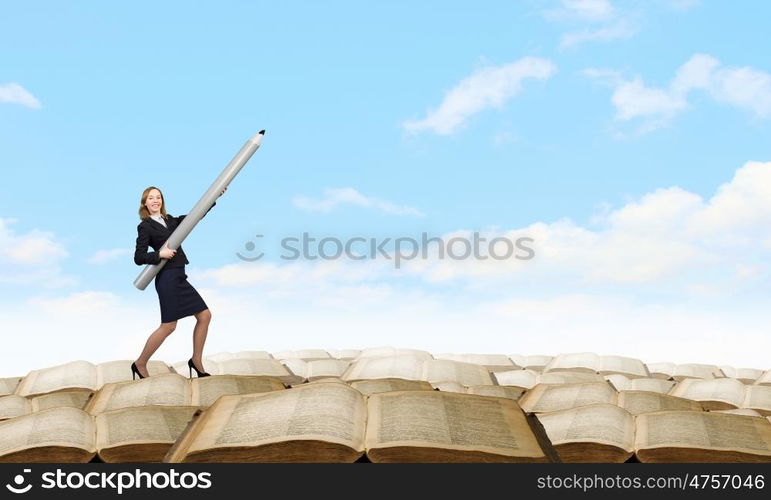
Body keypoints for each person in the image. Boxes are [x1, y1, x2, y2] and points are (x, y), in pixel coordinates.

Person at [131, 185, 225, 380]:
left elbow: (195, 216)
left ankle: (196, 361)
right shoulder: (145, 226)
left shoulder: (171, 220)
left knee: (205, 316)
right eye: (151, 198)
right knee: (168, 326)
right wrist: (160, 254)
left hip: (180, 275)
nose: (155, 201)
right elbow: (139, 257)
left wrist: (215, 197)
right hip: (167, 279)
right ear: (145, 203)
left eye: (158, 197)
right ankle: (140, 363)